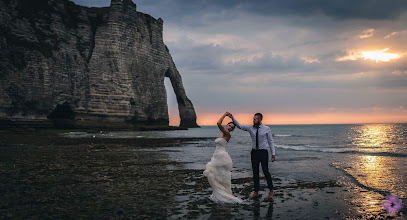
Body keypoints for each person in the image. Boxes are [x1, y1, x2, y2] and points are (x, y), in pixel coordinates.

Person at [227, 112, 275, 200]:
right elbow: (240, 126)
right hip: (254, 153)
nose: (253, 120)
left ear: (260, 120)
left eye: (255, 119)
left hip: (263, 152)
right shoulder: (250, 128)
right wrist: (232, 118)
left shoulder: (266, 129)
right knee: (255, 172)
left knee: (266, 171)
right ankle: (256, 191)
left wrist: (273, 153)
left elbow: (270, 141)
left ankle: (271, 190)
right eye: (253, 118)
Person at [203, 112, 243, 204]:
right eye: (229, 125)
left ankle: (223, 193)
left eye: (232, 127)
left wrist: (225, 114)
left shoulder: (227, 134)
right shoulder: (223, 134)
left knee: (219, 175)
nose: (230, 127)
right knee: (217, 175)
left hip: (221, 156)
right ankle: (218, 192)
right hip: (217, 155)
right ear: (227, 125)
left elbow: (218, 123)